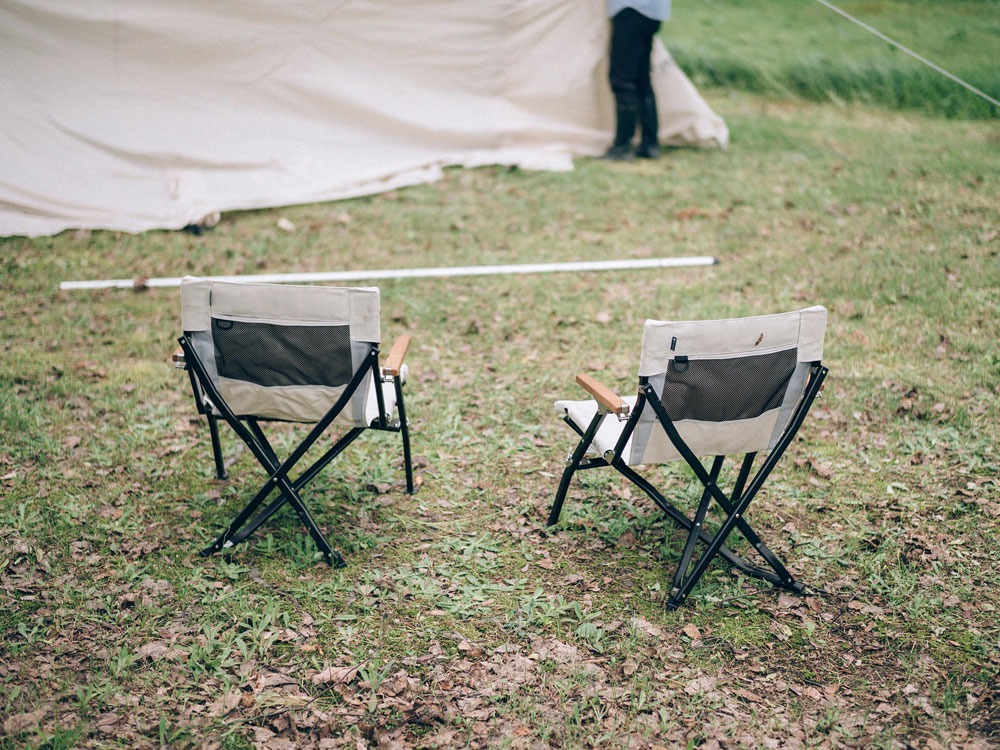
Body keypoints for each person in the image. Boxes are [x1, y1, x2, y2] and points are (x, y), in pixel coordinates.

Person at [604, 0, 671, 160]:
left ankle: (623, 146)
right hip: (653, 12)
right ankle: (650, 144)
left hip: (631, 8)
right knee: (641, 77)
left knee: (622, 79)